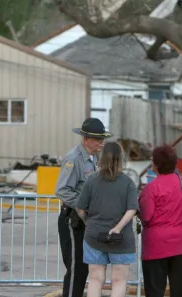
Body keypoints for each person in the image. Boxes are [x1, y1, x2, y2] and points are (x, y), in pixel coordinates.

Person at [55, 118, 111, 297]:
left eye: (102, 138)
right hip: (73, 219)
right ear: (85, 138)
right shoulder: (74, 159)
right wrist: (83, 206)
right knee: (76, 267)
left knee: (83, 267)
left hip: (86, 220)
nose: (101, 142)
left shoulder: (94, 157)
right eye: (97, 139)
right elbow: (62, 190)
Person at [76, 141, 139, 297]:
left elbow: (80, 208)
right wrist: (118, 228)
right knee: (118, 280)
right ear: (121, 158)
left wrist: (88, 222)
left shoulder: (91, 180)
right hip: (121, 238)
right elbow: (132, 209)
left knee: (95, 278)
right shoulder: (127, 182)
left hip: (94, 237)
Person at [138, 145, 182, 297]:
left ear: (156, 165)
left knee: (155, 290)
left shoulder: (151, 189)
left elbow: (146, 216)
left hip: (156, 245)